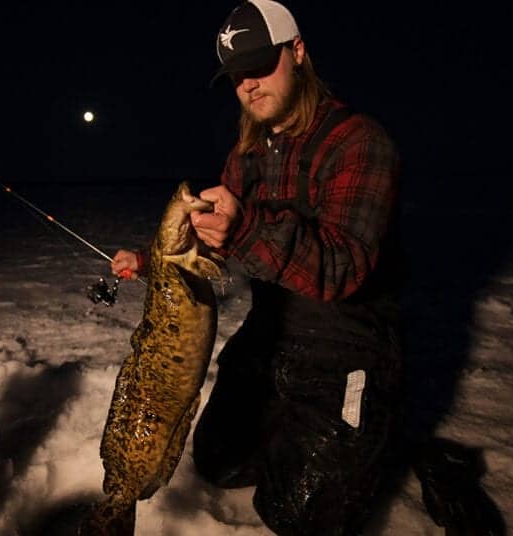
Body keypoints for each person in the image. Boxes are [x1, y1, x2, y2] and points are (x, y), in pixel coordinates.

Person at [112, 1, 404, 534]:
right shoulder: (246, 154)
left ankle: (368, 432)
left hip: (350, 340)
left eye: (261, 65)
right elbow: (220, 248)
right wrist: (156, 261)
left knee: (296, 513)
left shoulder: (359, 142)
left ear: (298, 53)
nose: (248, 85)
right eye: (236, 75)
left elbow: (343, 269)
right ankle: (310, 433)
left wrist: (246, 227)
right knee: (218, 462)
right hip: (273, 333)